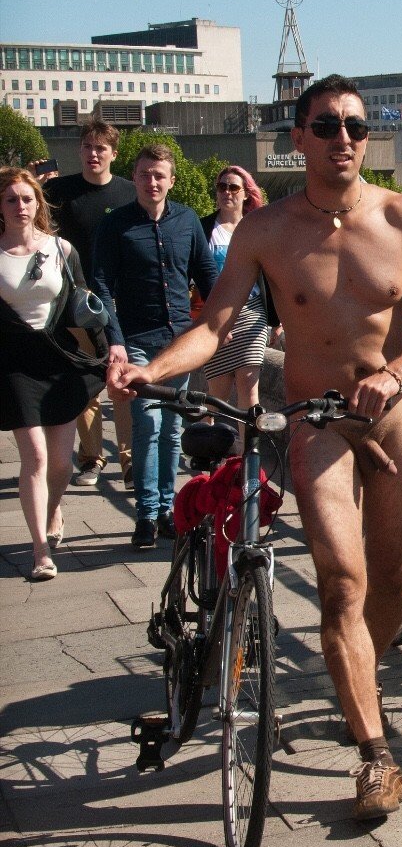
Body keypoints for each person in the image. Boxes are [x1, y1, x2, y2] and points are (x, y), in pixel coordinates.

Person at [106, 75, 402, 819]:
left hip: (393, 415)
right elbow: (215, 325)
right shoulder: (267, 232)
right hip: (314, 421)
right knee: (341, 583)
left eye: (356, 126)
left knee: (393, 583)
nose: (343, 138)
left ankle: (359, 676)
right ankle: (376, 757)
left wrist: (394, 373)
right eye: (326, 125)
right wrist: (152, 370)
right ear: (297, 138)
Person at [91, 143, 218, 549]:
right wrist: (115, 341)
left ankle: (167, 510)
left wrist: (219, 321)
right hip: (136, 339)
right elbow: (101, 285)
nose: (152, 182)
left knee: (173, 428)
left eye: (159, 175)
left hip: (178, 341)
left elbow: (206, 272)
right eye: (144, 174)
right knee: (148, 424)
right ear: (135, 178)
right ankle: (146, 513)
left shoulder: (187, 221)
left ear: (171, 181)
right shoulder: (116, 225)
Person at [0, 167, 105, 579]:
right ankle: (40, 551)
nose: (20, 206)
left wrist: (108, 350)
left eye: (27, 198)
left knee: (60, 464)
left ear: (38, 203)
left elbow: (85, 302)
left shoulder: (61, 249)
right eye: (11, 199)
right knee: (37, 457)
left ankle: (53, 507)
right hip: (13, 364)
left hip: (59, 360)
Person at [39, 121, 136, 489]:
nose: (93, 154)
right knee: (85, 382)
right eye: (87, 147)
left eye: (101, 148)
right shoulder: (58, 192)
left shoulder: (129, 192)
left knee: (123, 379)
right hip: (75, 302)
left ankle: (130, 461)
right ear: (80, 151)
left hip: (121, 300)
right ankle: (92, 457)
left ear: (113, 153)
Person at [201, 165, 283, 447]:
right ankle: (207, 450)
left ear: (246, 194)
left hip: (252, 314)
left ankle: (249, 454)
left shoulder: (256, 229)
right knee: (216, 395)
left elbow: (272, 277)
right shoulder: (204, 228)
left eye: (233, 187)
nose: (227, 192)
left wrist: (276, 321)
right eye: (222, 186)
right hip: (217, 315)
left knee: (249, 390)